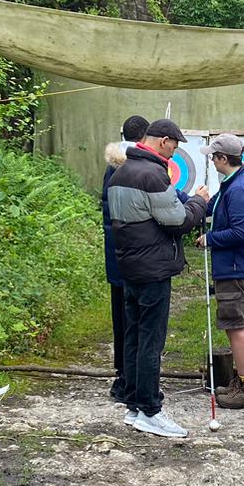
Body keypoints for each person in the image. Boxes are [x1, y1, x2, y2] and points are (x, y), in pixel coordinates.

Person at [109, 118, 211, 438]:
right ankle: (151, 410)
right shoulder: (152, 174)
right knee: (151, 342)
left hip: (129, 267)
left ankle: (135, 405)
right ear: (164, 141)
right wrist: (199, 202)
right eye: (175, 146)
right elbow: (177, 221)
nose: (175, 152)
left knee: (134, 338)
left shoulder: (120, 172)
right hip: (152, 270)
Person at [196, 133, 244, 409]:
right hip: (240, 266)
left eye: (214, 156)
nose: (212, 161)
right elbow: (213, 205)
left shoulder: (238, 189)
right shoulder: (234, 182)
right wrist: (197, 204)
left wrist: (209, 239)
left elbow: (239, 233)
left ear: (223, 159)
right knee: (238, 326)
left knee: (237, 327)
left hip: (236, 269)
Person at [103, 115, 150, 405]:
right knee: (136, 318)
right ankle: (129, 380)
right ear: (145, 139)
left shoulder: (114, 162)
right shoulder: (135, 164)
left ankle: (123, 376)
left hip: (117, 250)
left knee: (122, 315)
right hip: (133, 252)